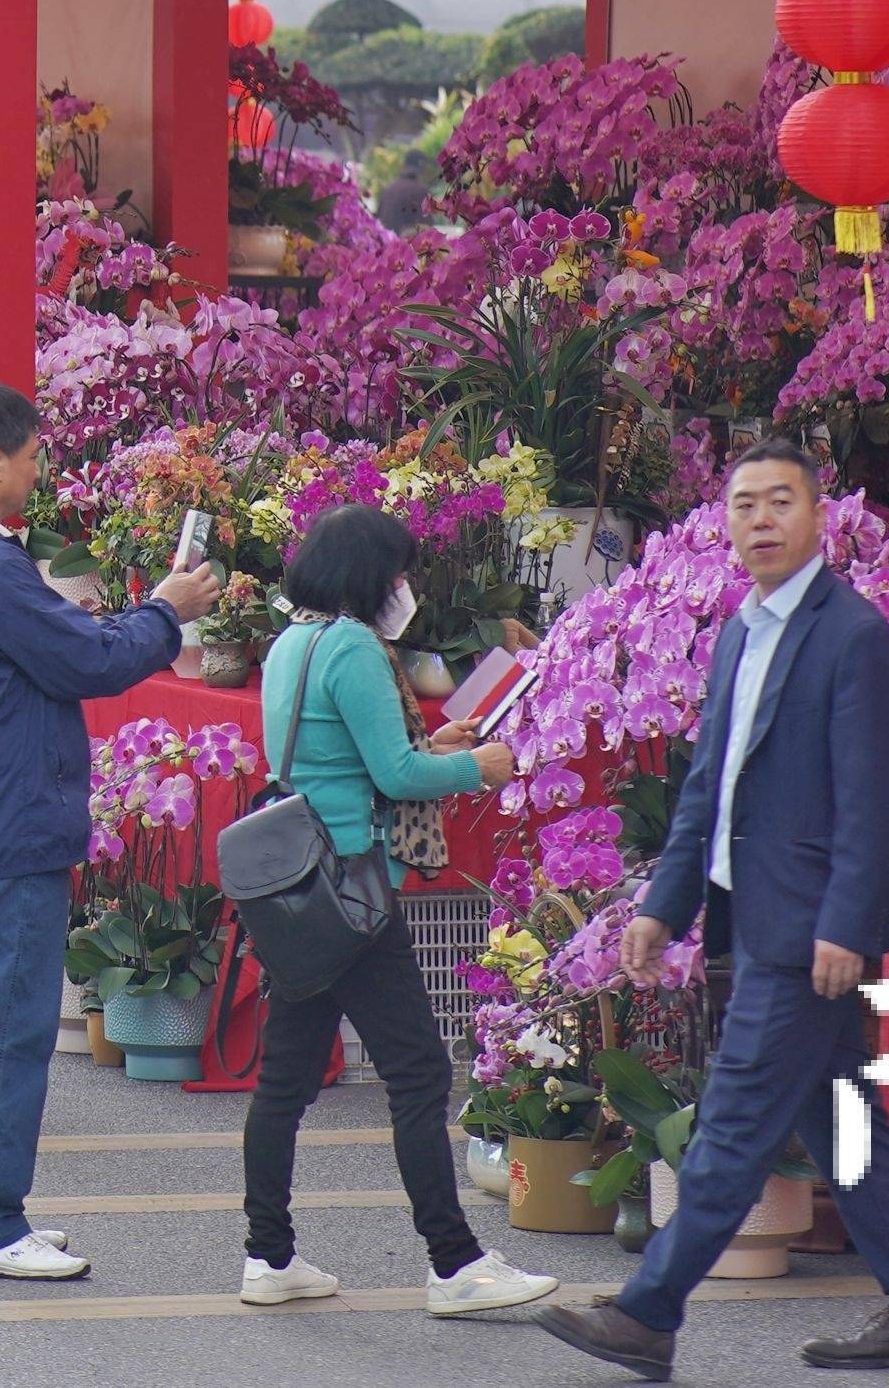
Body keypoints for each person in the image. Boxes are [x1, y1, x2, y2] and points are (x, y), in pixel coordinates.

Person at [538, 445, 889, 1382]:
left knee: (731, 1121)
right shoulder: (739, 630)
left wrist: (847, 923)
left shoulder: (854, 637)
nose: (761, 520)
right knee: (845, 1115)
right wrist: (663, 906)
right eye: (743, 506)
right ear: (724, 523)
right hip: (752, 910)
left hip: (809, 928)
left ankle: (649, 1313)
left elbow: (873, 795)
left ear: (819, 518)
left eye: (781, 502)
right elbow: (708, 788)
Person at [0, 379, 219, 1280]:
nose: (37, 473)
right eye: (31, 458)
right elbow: (89, 658)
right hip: (10, 815)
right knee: (3, 1026)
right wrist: (167, 610)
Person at [234, 504, 551, 1315]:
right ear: (369, 577)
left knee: (286, 1080)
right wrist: (475, 765)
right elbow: (397, 777)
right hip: (354, 892)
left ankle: (267, 1256)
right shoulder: (351, 645)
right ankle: (455, 1263)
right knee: (417, 1073)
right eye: (398, 573)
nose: (404, 588)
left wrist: (440, 748)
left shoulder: (291, 644)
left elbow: (341, 756)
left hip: (301, 891)